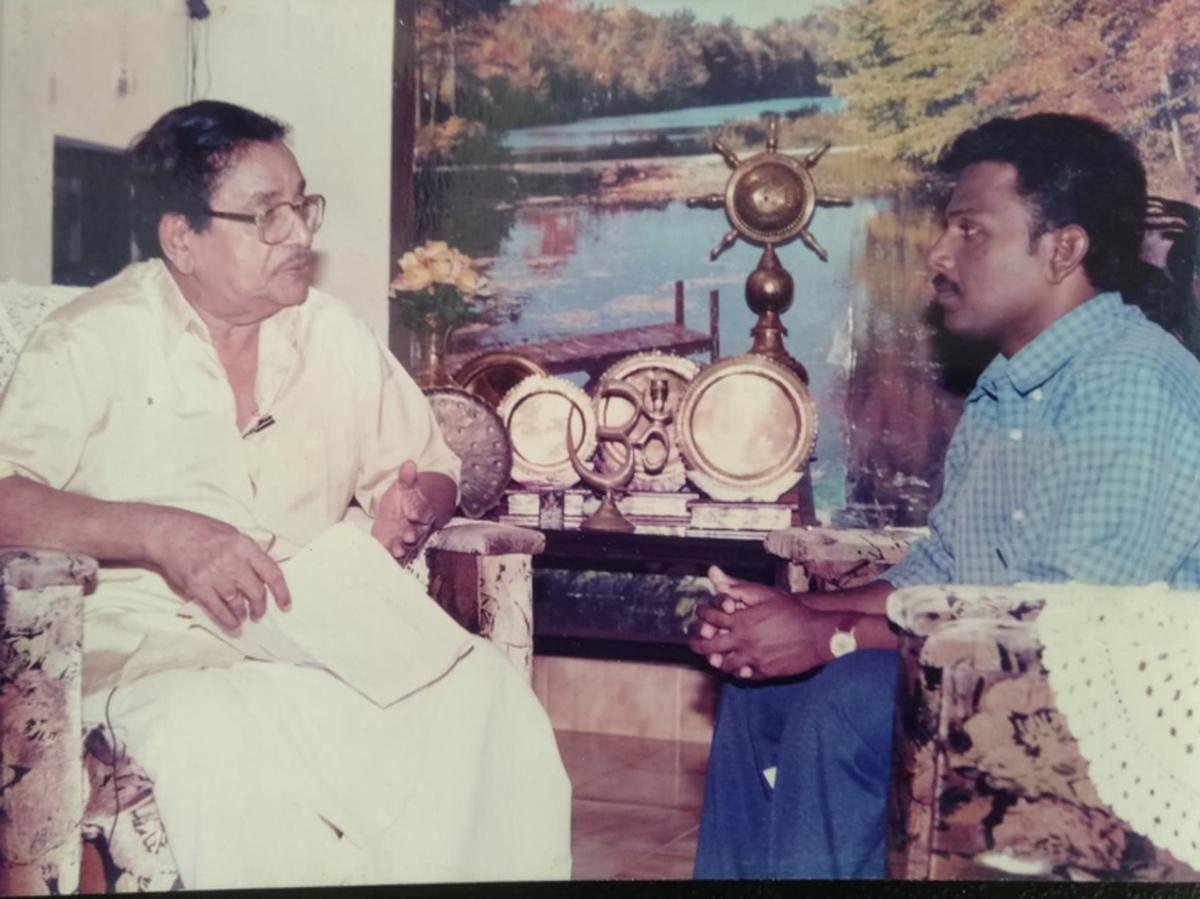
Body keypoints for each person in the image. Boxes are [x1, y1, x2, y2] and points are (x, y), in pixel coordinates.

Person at [0, 100, 570, 888]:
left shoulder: (330, 333)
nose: (301, 234)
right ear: (182, 239)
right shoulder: (90, 342)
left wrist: (417, 506)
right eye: (268, 217)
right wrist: (161, 533)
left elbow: (430, 465)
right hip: (151, 652)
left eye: (301, 206)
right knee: (224, 738)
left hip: (316, 629)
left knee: (486, 703)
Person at [688, 112, 1200, 879]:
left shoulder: (1129, 381)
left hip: (1112, 698)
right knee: (757, 691)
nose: (938, 253)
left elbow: (1072, 619)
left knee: (852, 697)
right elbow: (942, 577)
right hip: (1003, 664)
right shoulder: (1006, 390)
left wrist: (829, 639)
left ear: (1063, 249)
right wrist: (774, 620)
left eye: (971, 231)